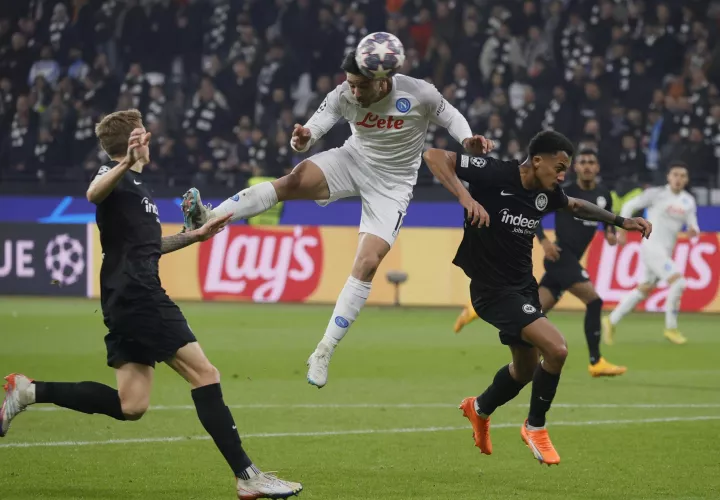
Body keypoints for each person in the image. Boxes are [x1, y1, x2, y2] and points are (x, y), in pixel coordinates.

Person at [0, 110, 302, 500]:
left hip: (127, 296)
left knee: (131, 404)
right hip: (138, 295)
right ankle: (248, 475)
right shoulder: (115, 177)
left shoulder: (139, 189)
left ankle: (28, 391)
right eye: (144, 135)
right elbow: (92, 193)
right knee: (205, 374)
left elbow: (150, 247)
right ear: (134, 140)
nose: (150, 141)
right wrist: (124, 161)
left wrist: (194, 235)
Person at [180, 49, 493, 389]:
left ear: (382, 80)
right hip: (353, 160)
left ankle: (324, 350)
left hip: (393, 185)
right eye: (351, 85)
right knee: (294, 180)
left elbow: (451, 117)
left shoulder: (419, 93)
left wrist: (467, 140)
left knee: (368, 262)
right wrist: (301, 140)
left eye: (361, 86)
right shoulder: (343, 94)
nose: (354, 92)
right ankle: (208, 217)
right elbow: (311, 132)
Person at [422, 131, 651, 465]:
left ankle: (479, 408)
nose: (562, 176)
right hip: (492, 290)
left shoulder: (546, 194)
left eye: (565, 170)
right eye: (559, 167)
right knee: (556, 349)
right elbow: (434, 156)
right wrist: (466, 198)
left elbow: (575, 205)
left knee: (525, 369)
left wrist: (620, 221)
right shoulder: (496, 172)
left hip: (523, 287)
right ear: (537, 160)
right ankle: (535, 427)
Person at [453, 149, 627, 377]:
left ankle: (474, 308)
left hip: (571, 260)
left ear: (597, 168)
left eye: (591, 162)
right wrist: (544, 241)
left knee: (535, 311)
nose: (586, 166)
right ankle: (596, 361)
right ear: (575, 167)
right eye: (582, 162)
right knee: (594, 301)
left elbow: (605, 221)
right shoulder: (564, 192)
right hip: (560, 257)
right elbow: (534, 213)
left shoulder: (605, 194)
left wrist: (611, 233)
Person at [603, 162, 698, 345]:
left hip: (666, 250)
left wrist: (694, 230)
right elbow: (629, 206)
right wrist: (622, 230)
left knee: (644, 289)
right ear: (668, 177)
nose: (678, 179)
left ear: (686, 180)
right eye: (675, 175)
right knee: (679, 282)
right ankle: (671, 328)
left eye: (682, 176)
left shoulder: (688, 200)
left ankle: (611, 320)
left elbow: (693, 224)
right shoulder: (657, 194)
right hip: (652, 246)